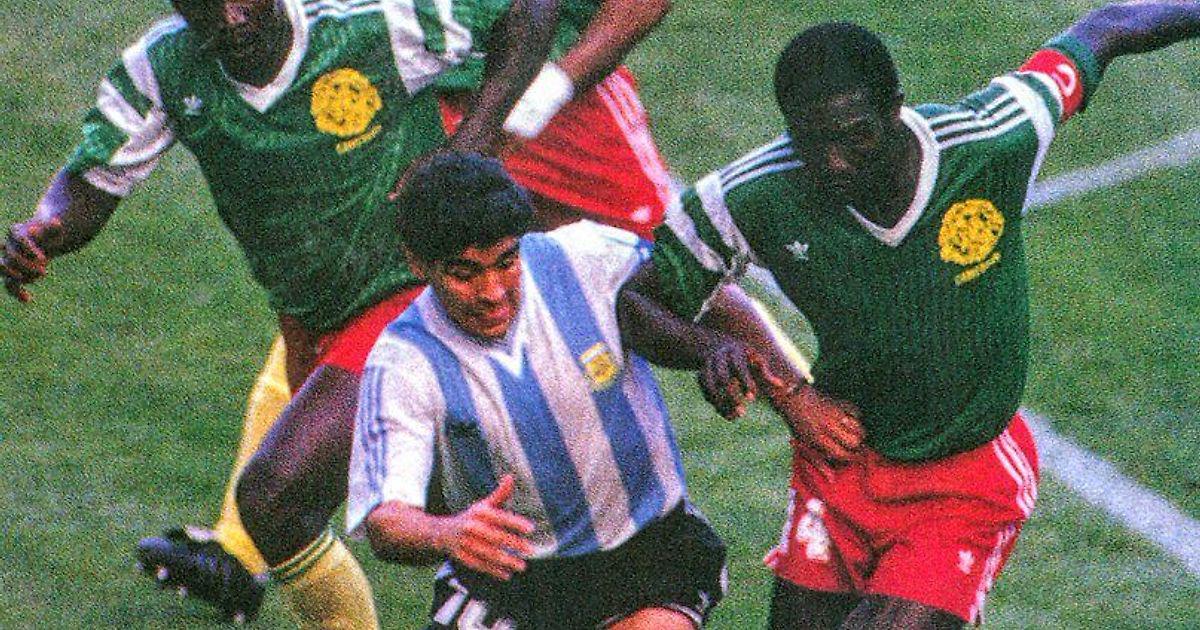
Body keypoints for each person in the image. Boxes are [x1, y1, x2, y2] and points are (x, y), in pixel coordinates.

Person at [617, 2, 1200, 628]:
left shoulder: (991, 139)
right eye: (813, 142)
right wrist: (717, 354)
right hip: (842, 465)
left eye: (856, 135)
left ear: (896, 107)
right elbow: (636, 302)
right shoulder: (751, 195)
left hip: (964, 479)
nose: (836, 162)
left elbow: (1104, 30)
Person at [0, 0, 562, 625]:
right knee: (463, 512)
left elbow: (530, 9)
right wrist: (44, 230)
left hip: (409, 304)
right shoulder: (162, 68)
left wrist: (473, 142)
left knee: (274, 498)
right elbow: (88, 185)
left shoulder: (371, 25)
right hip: (312, 326)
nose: (232, 17)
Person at [347, 151, 727, 629]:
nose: (492, 292)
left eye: (506, 262)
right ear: (417, 263)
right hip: (515, 583)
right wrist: (448, 533)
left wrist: (775, 381)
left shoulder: (589, 256)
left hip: (652, 555)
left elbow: (707, 289)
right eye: (465, 274)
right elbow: (386, 519)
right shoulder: (404, 359)